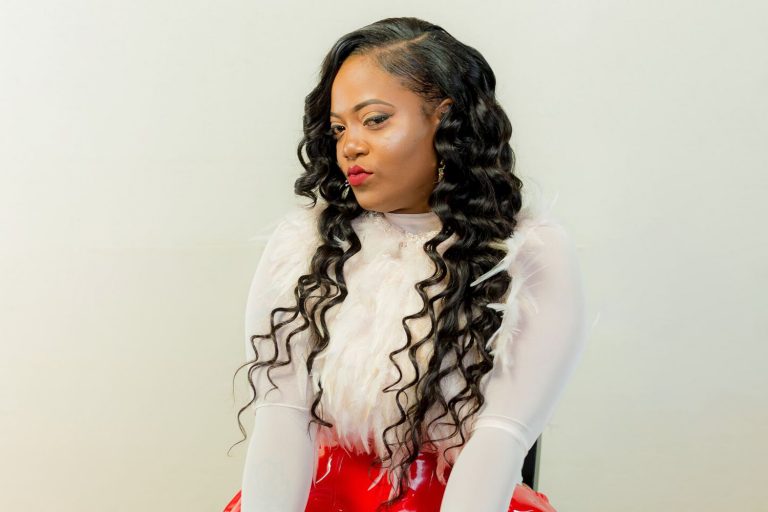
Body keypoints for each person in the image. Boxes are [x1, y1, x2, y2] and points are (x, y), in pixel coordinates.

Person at [224, 16, 588, 512]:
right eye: (339, 128)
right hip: (322, 496)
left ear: (445, 118)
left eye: (375, 119)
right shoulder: (306, 246)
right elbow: (281, 414)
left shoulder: (527, 254)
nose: (350, 145)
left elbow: (500, 439)